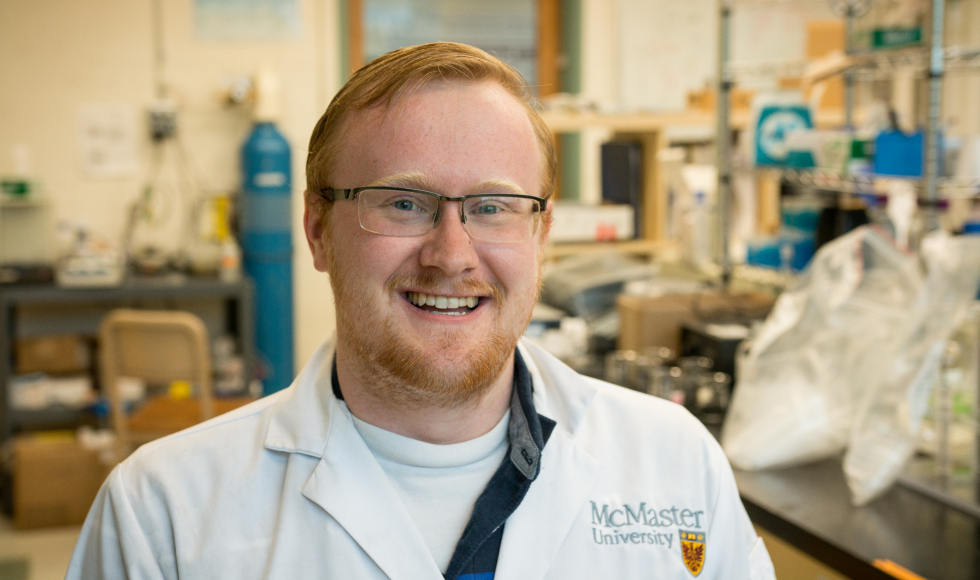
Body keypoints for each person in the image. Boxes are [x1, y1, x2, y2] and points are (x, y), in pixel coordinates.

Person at [66, 42, 775, 580]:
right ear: (318, 230)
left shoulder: (674, 463)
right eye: (403, 203)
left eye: (494, 207)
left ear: (541, 233)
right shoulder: (163, 515)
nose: (452, 254)